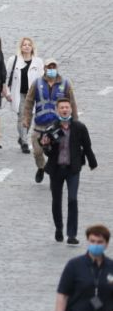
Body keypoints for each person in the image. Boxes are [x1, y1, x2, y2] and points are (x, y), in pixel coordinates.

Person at [41, 98, 98, 245]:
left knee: (72, 199)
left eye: (67, 107)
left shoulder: (79, 127)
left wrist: (92, 162)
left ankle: (72, 234)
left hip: (73, 169)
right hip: (56, 169)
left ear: (71, 110)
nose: (64, 110)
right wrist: (45, 145)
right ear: (57, 110)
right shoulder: (51, 128)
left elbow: (87, 146)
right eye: (62, 108)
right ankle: (59, 228)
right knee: (56, 200)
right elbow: (47, 151)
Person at [24, 58, 79, 183]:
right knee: (37, 152)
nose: (52, 70)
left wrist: (75, 122)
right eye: (49, 67)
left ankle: (54, 172)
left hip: (57, 125)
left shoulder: (65, 84)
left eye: (54, 67)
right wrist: (26, 119)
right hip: (40, 124)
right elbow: (29, 102)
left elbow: (72, 103)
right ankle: (41, 168)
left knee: (56, 152)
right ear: (44, 68)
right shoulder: (37, 83)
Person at [54, 224, 113, 311]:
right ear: (88, 241)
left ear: (106, 244)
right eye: (92, 241)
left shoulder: (111, 266)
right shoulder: (74, 265)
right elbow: (62, 295)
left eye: (99, 242)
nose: (96, 245)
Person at [6, 37, 41, 154]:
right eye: (24, 45)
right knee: (21, 117)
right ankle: (25, 142)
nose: (26, 46)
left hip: (32, 95)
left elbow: (42, 79)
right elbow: (7, 76)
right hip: (19, 93)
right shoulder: (14, 60)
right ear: (20, 47)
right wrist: (6, 91)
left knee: (29, 117)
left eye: (29, 45)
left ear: (32, 47)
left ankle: (22, 136)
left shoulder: (38, 62)